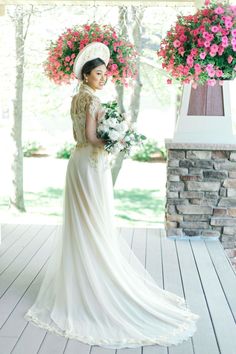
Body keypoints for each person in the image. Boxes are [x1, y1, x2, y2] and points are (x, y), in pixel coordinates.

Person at [24, 42, 200, 349]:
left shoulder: (76, 98)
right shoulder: (92, 101)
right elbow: (93, 137)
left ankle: (80, 278)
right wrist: (115, 141)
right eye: (98, 73)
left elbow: (77, 136)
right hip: (92, 162)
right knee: (94, 218)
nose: (103, 77)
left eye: (105, 73)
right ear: (86, 75)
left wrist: (114, 135)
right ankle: (94, 280)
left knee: (83, 221)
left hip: (77, 162)